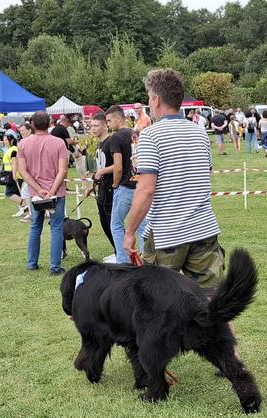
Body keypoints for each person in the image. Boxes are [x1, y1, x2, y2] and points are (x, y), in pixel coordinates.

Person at [125, 68, 224, 300]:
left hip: (167, 233)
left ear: (156, 100)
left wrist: (129, 231)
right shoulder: (200, 133)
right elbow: (204, 176)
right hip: (203, 229)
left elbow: (147, 189)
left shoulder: (151, 135)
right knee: (212, 305)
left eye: (149, 97)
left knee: (155, 305)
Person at [16, 111, 69, 274]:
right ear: (50, 123)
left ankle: (32, 263)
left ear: (32, 124)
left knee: (35, 226)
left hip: (35, 193)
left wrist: (38, 189)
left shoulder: (23, 144)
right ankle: (55, 266)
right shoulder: (59, 143)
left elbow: (23, 171)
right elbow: (62, 170)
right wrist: (51, 190)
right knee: (56, 228)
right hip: (56, 192)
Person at [105, 105, 146, 264]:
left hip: (124, 187)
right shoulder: (134, 133)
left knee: (116, 224)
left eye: (109, 120)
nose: (108, 124)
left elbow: (118, 166)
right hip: (138, 184)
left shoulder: (115, 137)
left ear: (117, 118)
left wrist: (115, 184)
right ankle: (144, 257)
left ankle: (123, 260)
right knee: (142, 224)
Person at [90, 112, 117, 260]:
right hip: (101, 187)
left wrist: (102, 171)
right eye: (91, 126)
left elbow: (118, 165)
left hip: (110, 188)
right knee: (104, 222)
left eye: (96, 125)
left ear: (105, 125)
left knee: (112, 222)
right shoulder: (99, 144)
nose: (93, 129)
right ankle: (116, 249)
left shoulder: (111, 142)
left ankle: (120, 252)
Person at [2, 134, 28, 217]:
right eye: (4, 140)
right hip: (9, 172)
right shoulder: (9, 150)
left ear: (11, 141)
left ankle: (25, 205)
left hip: (13, 173)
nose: (4, 142)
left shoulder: (13, 150)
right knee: (17, 192)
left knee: (9, 193)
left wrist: (14, 174)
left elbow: (15, 162)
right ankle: (22, 209)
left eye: (6, 140)